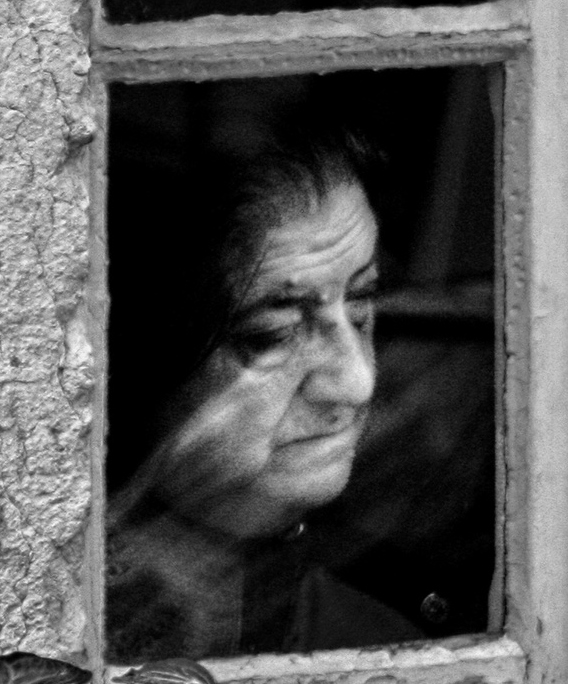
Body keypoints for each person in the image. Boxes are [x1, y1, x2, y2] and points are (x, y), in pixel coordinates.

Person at [106, 118, 420, 662]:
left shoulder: (382, 644)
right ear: (142, 358)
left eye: (361, 308)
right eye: (272, 335)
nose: (357, 383)